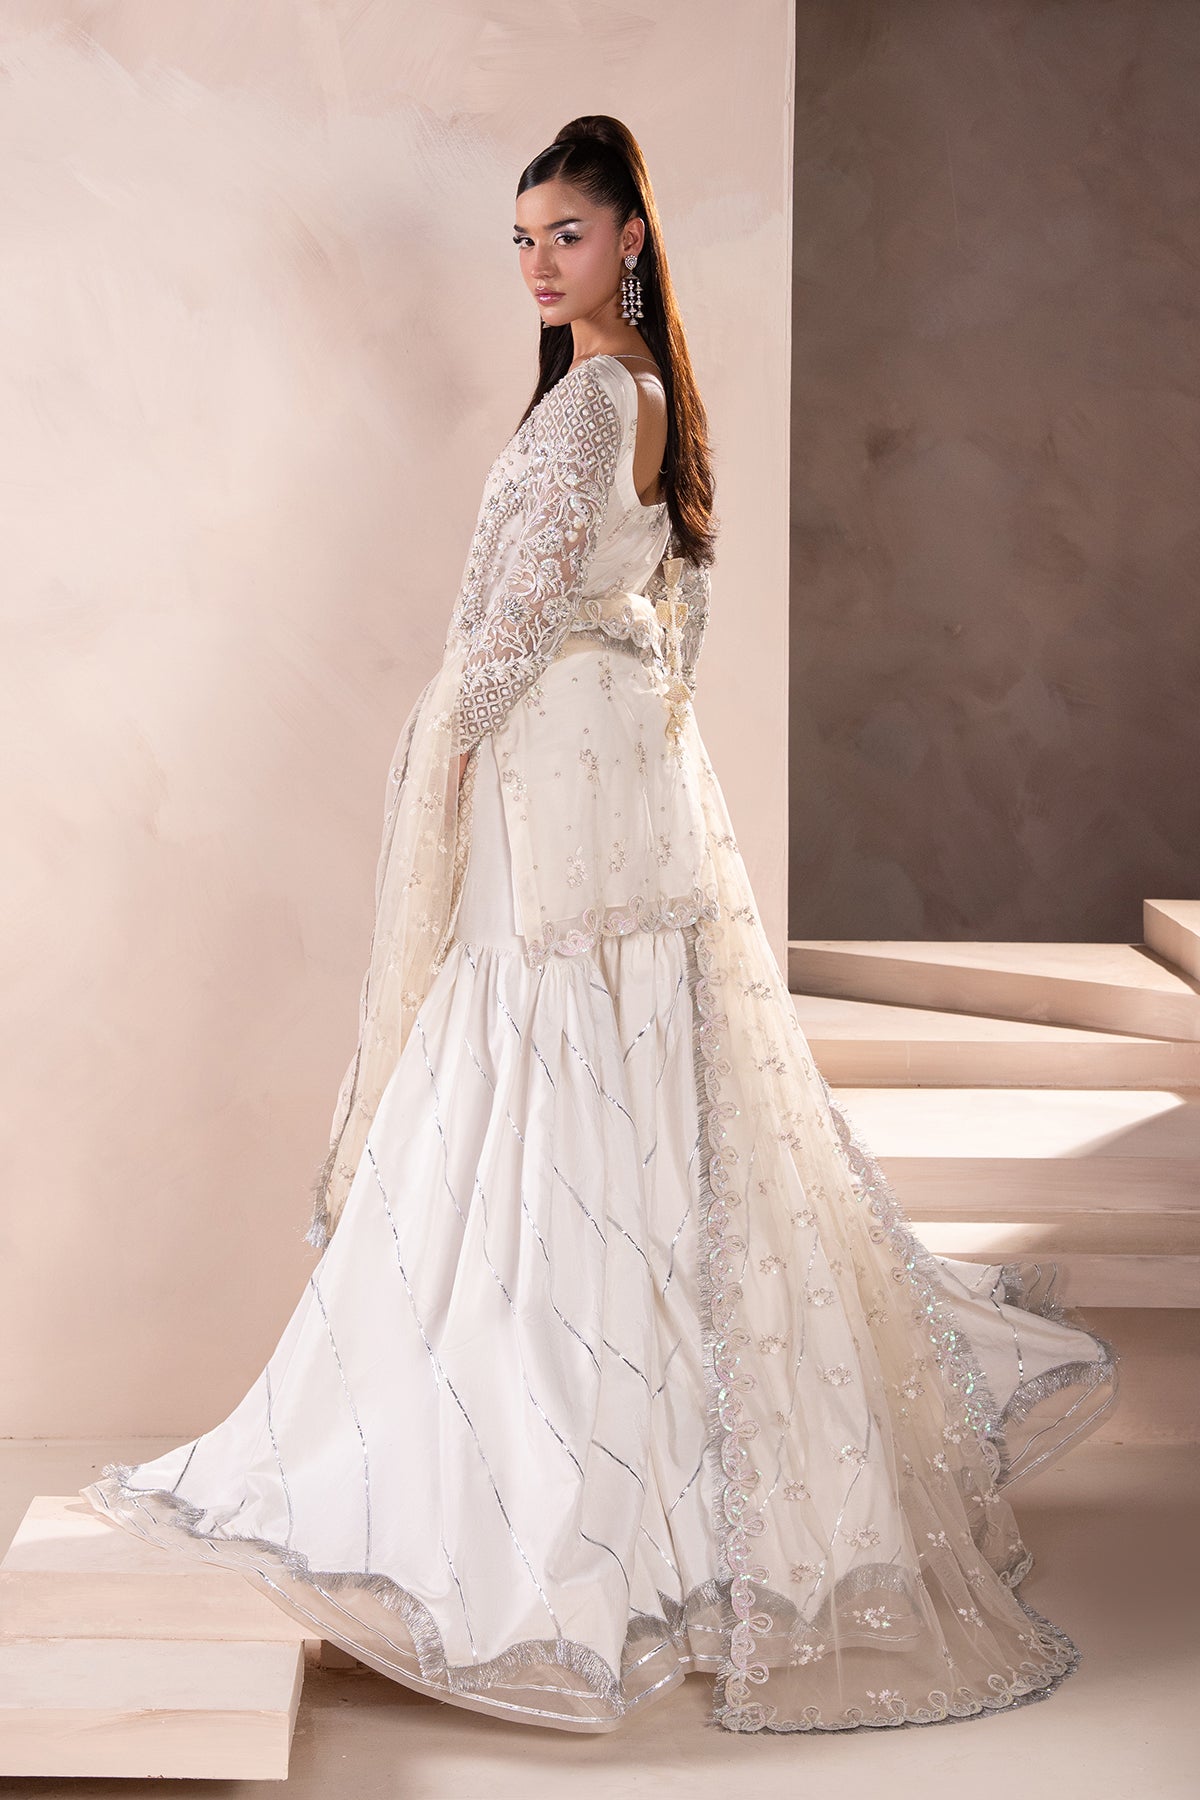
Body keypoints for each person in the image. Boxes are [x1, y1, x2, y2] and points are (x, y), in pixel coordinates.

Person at [83, 113, 1118, 1736]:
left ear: (631, 235)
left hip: (558, 780)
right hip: (612, 774)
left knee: (544, 1078)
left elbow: (517, 619)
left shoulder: (590, 405)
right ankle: (655, 1511)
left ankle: (567, 1517)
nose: (537, 263)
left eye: (563, 232)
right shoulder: (649, 397)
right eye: (522, 239)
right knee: (609, 1095)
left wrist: (440, 749)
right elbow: (664, 607)